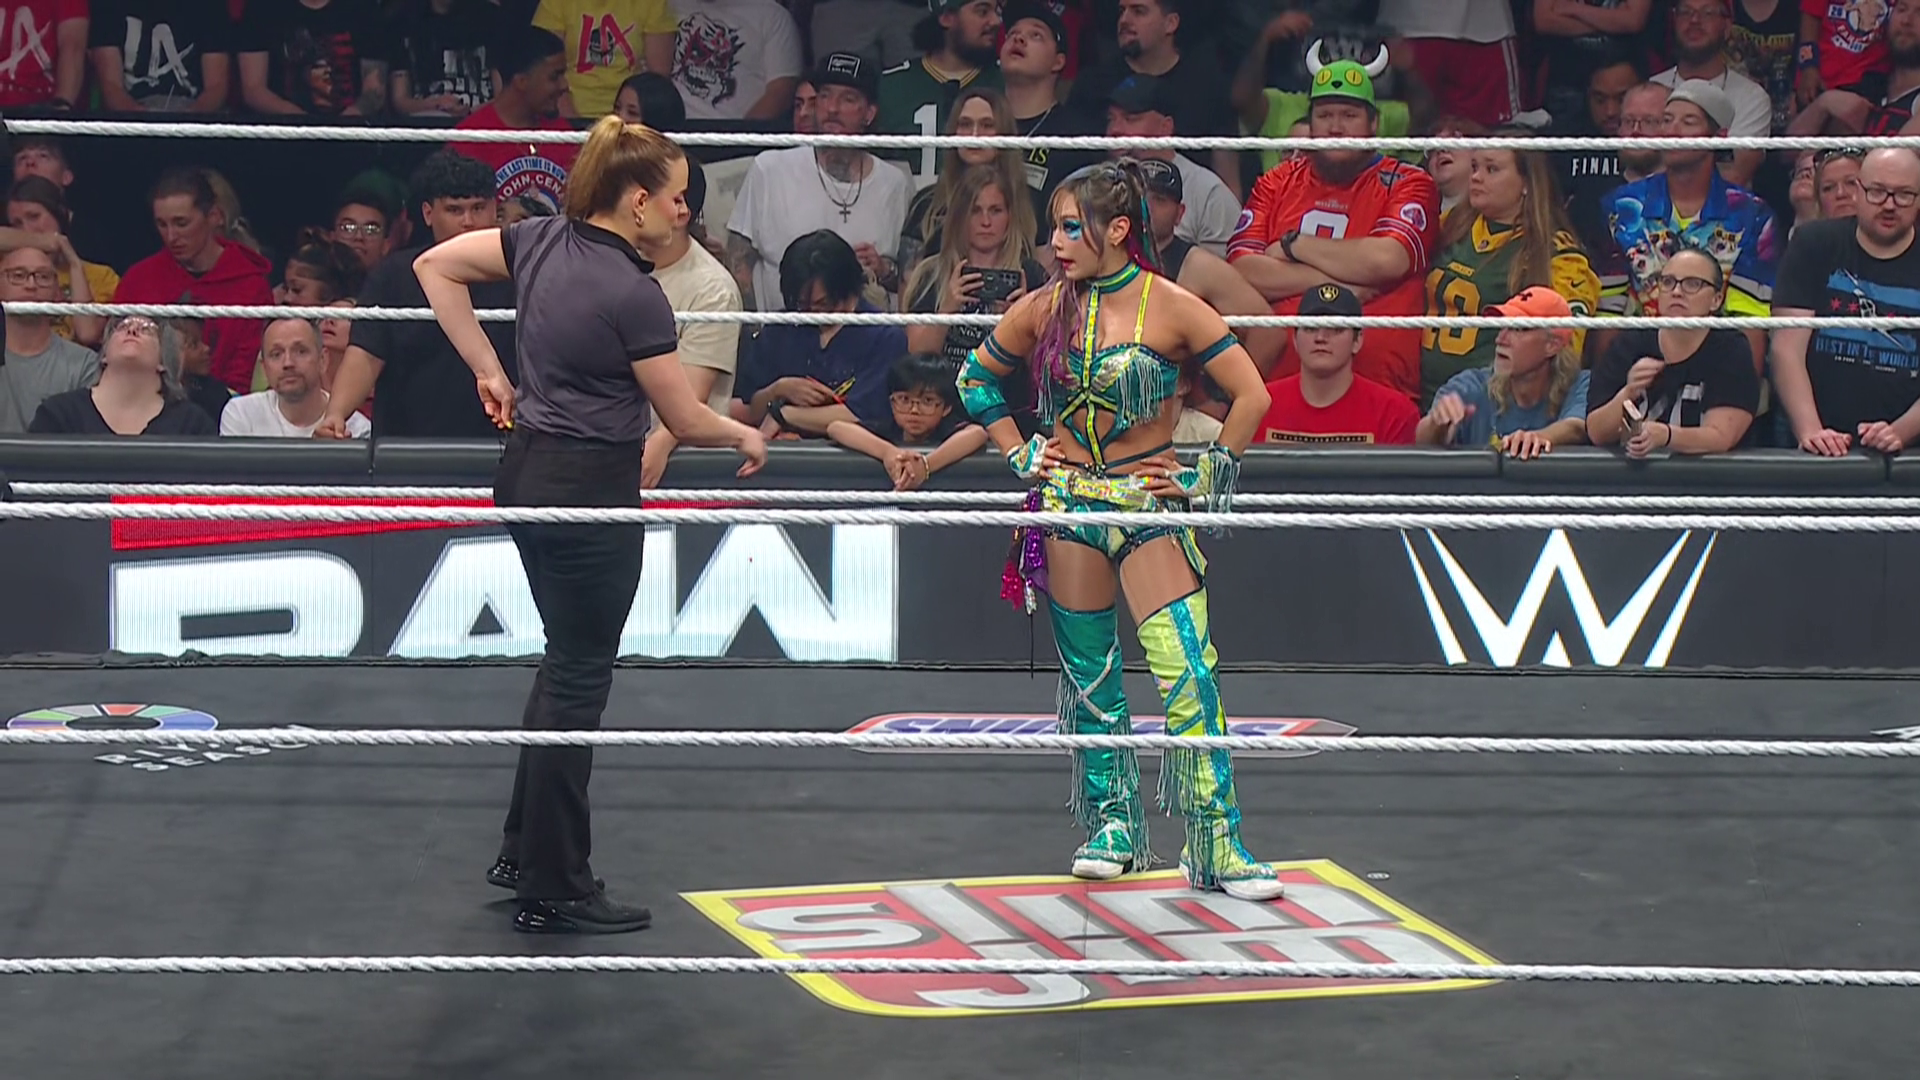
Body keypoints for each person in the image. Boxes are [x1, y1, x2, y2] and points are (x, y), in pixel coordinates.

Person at [413, 115, 767, 934]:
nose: (686, 211)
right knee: (577, 679)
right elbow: (684, 415)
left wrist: (490, 370)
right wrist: (744, 434)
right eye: (676, 197)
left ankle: (524, 852)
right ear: (637, 200)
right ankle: (556, 884)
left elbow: (435, 265)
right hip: (588, 489)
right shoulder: (634, 294)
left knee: (563, 664)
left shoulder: (538, 241)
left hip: (527, 474)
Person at [956, 160, 1283, 901]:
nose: (1056, 243)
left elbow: (1252, 394)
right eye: (1054, 228)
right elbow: (975, 378)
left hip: (1145, 503)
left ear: (1118, 230)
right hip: (1069, 503)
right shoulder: (1046, 306)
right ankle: (1114, 827)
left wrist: (1207, 476)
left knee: (1187, 671)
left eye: (1072, 228)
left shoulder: (1173, 306)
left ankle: (1216, 840)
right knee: (1091, 678)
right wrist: (1018, 450)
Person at [1419, 130, 1600, 404]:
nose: (1476, 177)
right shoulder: (1450, 224)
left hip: (1492, 405)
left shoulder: (1557, 254)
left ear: (1527, 182)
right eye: (1474, 167)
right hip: (1422, 394)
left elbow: (1565, 349)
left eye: (1491, 169)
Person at [1587, 246, 1759, 456]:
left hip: (1706, 474)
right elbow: (1596, 433)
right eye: (1668, 282)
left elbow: (1721, 436)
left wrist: (1666, 436)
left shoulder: (1730, 349)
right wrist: (1629, 392)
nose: (1676, 292)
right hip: (1635, 473)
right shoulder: (1630, 343)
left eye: (1692, 284)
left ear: (1716, 299)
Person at [1418, 287, 1592, 458]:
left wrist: (1537, 438)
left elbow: (1577, 427)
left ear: (1552, 345)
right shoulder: (1472, 385)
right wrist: (1437, 423)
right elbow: (1421, 440)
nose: (1500, 339)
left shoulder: (1581, 384)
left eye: (1518, 329)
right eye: (1503, 326)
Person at [30, 317, 216, 436]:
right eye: (122, 327)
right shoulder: (58, 414)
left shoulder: (191, 424)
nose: (132, 331)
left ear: (164, 360)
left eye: (147, 330)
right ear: (104, 355)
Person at [826, 352, 988, 489]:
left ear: (946, 408)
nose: (914, 410)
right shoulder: (888, 427)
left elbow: (978, 433)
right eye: (904, 399)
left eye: (927, 401)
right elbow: (836, 428)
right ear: (891, 402)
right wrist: (888, 452)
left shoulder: (947, 428)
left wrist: (925, 466)